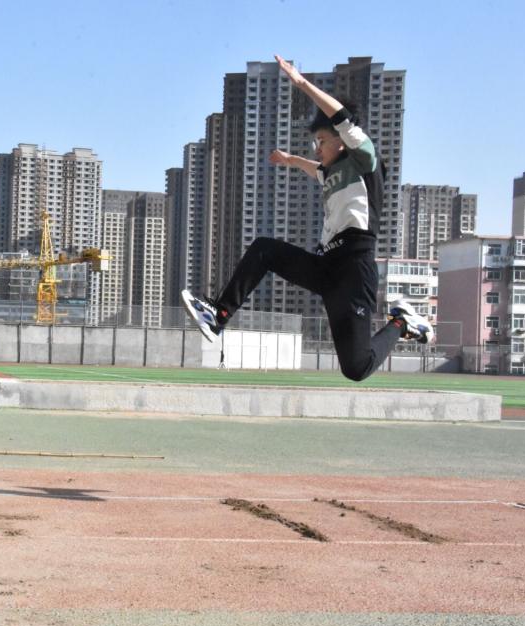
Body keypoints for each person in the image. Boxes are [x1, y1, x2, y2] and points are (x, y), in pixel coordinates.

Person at [182, 54, 432, 382]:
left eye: (322, 141)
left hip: (354, 268)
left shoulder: (365, 161)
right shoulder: (330, 172)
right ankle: (219, 315)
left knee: (356, 368)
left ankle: (402, 323)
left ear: (342, 140)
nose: (317, 148)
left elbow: (342, 118)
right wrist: (291, 160)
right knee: (264, 250)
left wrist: (301, 84)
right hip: (325, 267)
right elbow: (315, 168)